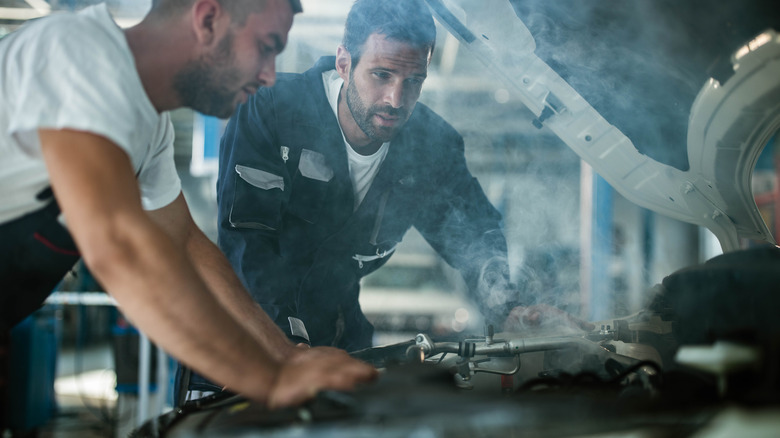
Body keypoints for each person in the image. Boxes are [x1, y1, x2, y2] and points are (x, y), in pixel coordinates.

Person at [0, 0, 377, 423]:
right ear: (208, 18)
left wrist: (286, 356)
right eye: (266, 46)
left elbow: (185, 245)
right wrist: (269, 381)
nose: (270, 74)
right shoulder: (76, 52)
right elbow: (119, 245)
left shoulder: (149, 129)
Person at [216, 0, 592, 357]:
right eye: (382, 75)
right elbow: (248, 243)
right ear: (345, 62)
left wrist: (510, 308)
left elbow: (474, 234)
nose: (396, 100)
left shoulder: (432, 147)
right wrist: (287, 345)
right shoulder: (270, 110)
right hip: (244, 337)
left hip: (339, 337)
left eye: (414, 81)